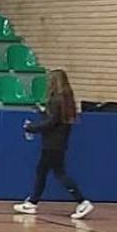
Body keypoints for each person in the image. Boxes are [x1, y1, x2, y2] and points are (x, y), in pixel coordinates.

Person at [14, 70, 94, 220]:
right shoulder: (67, 100)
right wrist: (44, 112)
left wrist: (32, 127)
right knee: (42, 171)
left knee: (59, 173)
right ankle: (32, 202)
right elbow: (55, 119)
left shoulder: (56, 100)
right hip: (59, 142)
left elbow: (50, 123)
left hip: (52, 143)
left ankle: (82, 201)